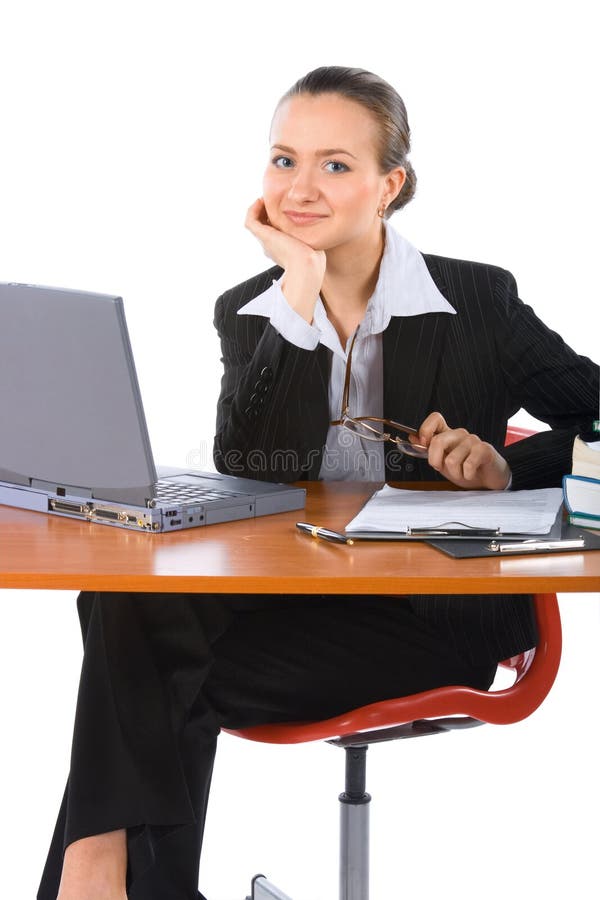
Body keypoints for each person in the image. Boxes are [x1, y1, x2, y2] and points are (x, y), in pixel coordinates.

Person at [38, 66, 599, 900]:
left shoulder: (477, 300)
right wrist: (296, 290)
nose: (301, 188)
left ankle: (92, 883)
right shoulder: (251, 308)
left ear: (389, 185)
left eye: (335, 165)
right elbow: (247, 461)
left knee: (146, 678)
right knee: (127, 605)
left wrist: (509, 466)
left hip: (430, 621)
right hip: (287, 603)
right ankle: (111, 885)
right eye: (283, 160)